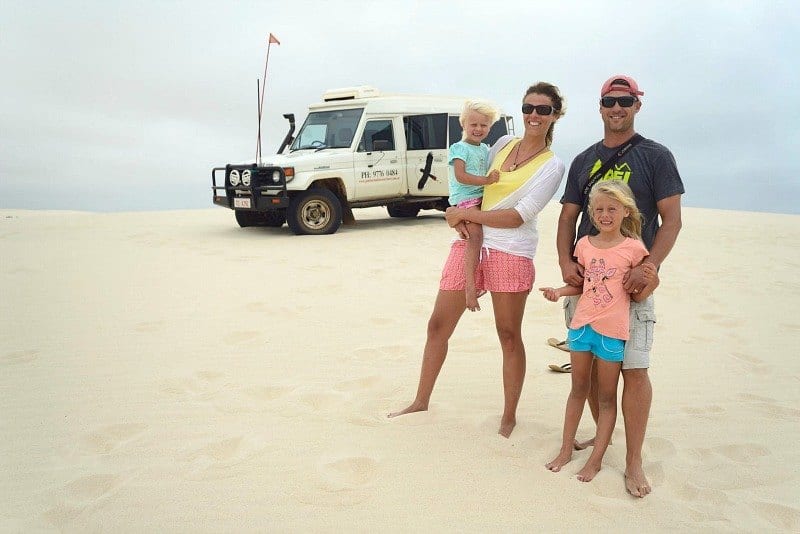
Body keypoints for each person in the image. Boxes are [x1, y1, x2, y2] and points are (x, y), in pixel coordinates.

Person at [388, 82, 567, 438]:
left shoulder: (552, 166)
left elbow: (520, 214)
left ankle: (509, 417)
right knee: (437, 325)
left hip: (512, 250)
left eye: (543, 110)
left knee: (508, 334)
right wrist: (455, 212)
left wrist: (463, 217)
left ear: (555, 115)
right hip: (472, 242)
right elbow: (468, 186)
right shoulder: (500, 144)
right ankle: (421, 400)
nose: (534, 115)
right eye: (528, 107)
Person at [555, 75, 684, 496]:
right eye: (610, 101)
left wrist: (650, 269)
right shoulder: (583, 160)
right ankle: (601, 436)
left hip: (633, 285)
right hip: (590, 281)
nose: (617, 108)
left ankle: (634, 460)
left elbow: (672, 220)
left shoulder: (656, 156)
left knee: (636, 369)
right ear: (600, 106)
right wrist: (564, 263)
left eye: (625, 101)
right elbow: (567, 218)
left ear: (636, 106)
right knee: (590, 372)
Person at [541, 180, 658, 482]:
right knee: (577, 390)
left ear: (625, 211)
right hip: (582, 328)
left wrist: (652, 280)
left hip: (612, 333)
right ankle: (566, 449)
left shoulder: (634, 248)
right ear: (591, 213)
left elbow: (642, 290)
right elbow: (580, 285)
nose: (605, 215)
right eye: (599, 210)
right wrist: (558, 291)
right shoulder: (583, 245)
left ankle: (595, 460)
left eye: (612, 209)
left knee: (607, 399)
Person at [447, 100, 501, 312]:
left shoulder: (485, 149)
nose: (478, 129)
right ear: (463, 124)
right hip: (467, 199)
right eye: (473, 124)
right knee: (476, 238)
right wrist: (486, 181)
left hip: (482, 199)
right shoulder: (459, 148)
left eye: (484, 125)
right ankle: (470, 287)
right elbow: (460, 176)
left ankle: (480, 279)